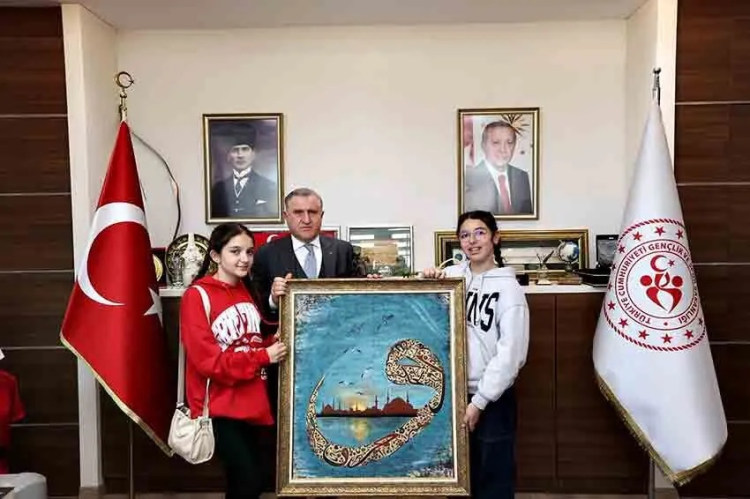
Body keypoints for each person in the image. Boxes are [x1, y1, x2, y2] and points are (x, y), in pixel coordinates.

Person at [422, 210, 529, 499]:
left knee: (492, 479)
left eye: (480, 233)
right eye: (465, 235)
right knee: (454, 481)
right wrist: (429, 282)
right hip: (450, 396)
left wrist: (478, 402)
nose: (472, 240)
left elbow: (511, 355)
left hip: (492, 400)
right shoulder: (451, 277)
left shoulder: (509, 290)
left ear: (495, 238)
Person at [179, 223, 287, 499]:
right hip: (220, 406)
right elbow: (208, 362)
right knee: (248, 480)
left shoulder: (246, 290)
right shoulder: (196, 296)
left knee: (248, 483)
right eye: (235, 251)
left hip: (253, 401)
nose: (244, 259)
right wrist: (264, 356)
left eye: (249, 252)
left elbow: (248, 342)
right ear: (215, 255)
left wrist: (271, 343)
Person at [250, 187, 362, 318]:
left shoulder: (343, 250)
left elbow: (358, 298)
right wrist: (273, 301)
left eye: (312, 212)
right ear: (286, 216)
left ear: (321, 215)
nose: (306, 220)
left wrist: (375, 284)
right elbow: (256, 306)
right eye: (298, 212)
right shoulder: (266, 254)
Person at [210, 121, 279, 219]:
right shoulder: (218, 189)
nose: (240, 155)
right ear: (229, 156)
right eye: (235, 150)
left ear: (253, 154)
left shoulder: (268, 187)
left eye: (245, 149)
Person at [464, 121, 533, 215]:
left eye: (509, 143)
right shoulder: (469, 178)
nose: (503, 150)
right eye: (496, 143)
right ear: (483, 145)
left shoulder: (521, 176)